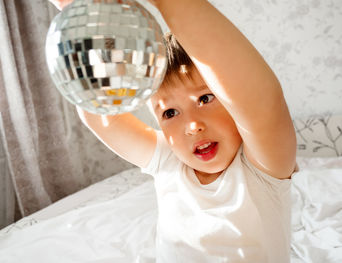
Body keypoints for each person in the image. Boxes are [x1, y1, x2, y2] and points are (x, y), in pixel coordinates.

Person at [50, 0, 297, 262]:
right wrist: (86, 14)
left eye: (205, 99)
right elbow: (98, 115)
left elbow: (262, 102)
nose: (192, 127)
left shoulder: (262, 169)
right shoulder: (168, 161)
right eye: (169, 113)